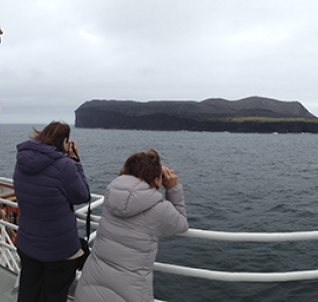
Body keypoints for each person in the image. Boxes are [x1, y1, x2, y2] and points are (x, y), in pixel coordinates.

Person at [74, 149, 189, 302]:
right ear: (156, 179)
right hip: (131, 291)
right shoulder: (161, 209)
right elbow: (181, 224)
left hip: (89, 285)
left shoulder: (111, 193)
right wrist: (173, 189)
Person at [13, 121, 91, 302]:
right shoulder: (64, 165)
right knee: (54, 295)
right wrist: (75, 160)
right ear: (64, 141)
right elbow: (82, 195)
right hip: (58, 249)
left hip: (27, 243)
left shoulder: (22, 160)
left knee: (28, 292)